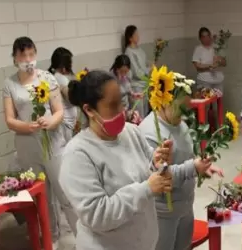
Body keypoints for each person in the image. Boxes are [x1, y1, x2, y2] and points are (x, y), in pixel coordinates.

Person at [58, 70, 174, 250]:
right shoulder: (77, 155)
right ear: (89, 110)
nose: (121, 110)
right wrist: (146, 189)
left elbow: (144, 170)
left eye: (120, 102)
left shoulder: (131, 132)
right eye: (112, 105)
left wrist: (156, 163)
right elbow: (98, 214)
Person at [2, 37, 77, 249]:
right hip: (28, 148)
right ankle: (50, 238)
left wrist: (50, 121)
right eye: (22, 55)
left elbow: (59, 111)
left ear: (36, 54)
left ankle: (83, 236)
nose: (27, 59)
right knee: (43, 197)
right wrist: (28, 127)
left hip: (52, 143)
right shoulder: (10, 84)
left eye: (31, 54)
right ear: (15, 58)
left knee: (64, 191)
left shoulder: (47, 78)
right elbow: (9, 119)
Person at [139, 82, 224, 250]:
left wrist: (201, 167)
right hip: (163, 213)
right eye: (181, 108)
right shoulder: (149, 132)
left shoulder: (180, 124)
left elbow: (187, 156)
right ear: (164, 102)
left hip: (185, 205)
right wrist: (193, 167)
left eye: (187, 107)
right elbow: (161, 179)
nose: (185, 114)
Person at [192, 27, 227, 128]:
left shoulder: (216, 47)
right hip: (205, 81)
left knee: (218, 105)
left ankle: (218, 129)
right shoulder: (198, 49)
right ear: (200, 38)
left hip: (217, 80)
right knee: (206, 105)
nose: (206, 38)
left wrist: (219, 61)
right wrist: (209, 66)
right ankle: (204, 129)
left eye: (208, 36)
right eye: (204, 37)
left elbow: (225, 63)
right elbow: (197, 66)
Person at [48, 47, 77, 142]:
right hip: (66, 123)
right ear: (64, 68)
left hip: (65, 123)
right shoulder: (60, 78)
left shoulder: (53, 76)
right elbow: (71, 98)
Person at [123, 25, 150, 118]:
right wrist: (149, 70)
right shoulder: (129, 52)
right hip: (137, 86)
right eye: (136, 34)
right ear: (130, 38)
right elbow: (137, 73)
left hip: (145, 85)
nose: (138, 36)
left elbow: (145, 64)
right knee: (139, 114)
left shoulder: (140, 50)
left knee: (146, 112)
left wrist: (150, 67)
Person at [110, 54, 143, 124]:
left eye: (126, 71)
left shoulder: (125, 75)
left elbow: (127, 87)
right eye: (122, 71)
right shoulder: (111, 78)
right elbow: (113, 97)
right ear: (117, 68)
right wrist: (118, 80)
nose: (124, 74)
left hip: (126, 109)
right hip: (116, 111)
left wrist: (133, 94)